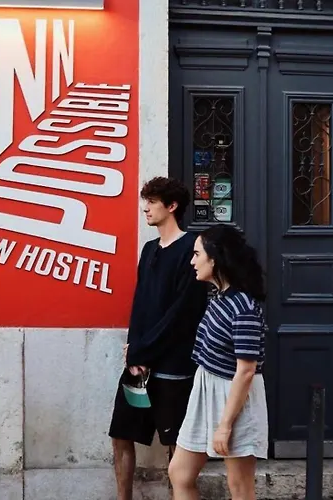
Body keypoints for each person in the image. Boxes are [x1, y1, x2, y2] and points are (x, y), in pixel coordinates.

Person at [108, 177, 209, 500]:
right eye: (145, 201)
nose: (145, 208)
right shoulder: (149, 249)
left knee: (175, 443)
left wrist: (143, 350)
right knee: (121, 434)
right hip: (139, 364)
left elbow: (181, 314)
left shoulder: (191, 249)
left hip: (173, 364)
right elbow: (140, 303)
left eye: (152, 202)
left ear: (172, 206)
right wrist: (133, 350)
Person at [168, 224, 269, 500]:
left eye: (197, 254)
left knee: (240, 487)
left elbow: (246, 371)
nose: (192, 261)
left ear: (214, 259)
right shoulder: (219, 297)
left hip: (234, 399)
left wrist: (225, 425)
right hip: (206, 391)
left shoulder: (243, 307)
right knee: (180, 473)